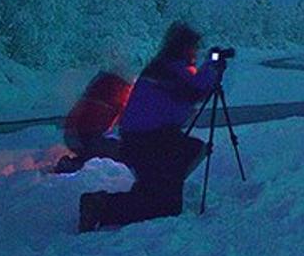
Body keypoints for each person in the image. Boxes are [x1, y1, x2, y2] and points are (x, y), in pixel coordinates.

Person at [78, 21, 224, 233]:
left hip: (150, 138)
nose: (195, 51)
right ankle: (101, 206)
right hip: (149, 140)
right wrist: (212, 67)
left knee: (190, 150)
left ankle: (154, 188)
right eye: (193, 47)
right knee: (165, 207)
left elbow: (188, 92)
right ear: (183, 46)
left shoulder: (163, 66)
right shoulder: (168, 70)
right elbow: (194, 91)